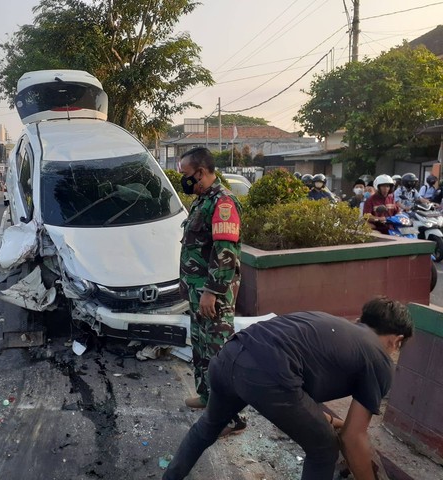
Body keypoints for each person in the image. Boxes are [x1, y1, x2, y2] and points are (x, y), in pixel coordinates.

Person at [162, 296, 413, 480]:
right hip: (267, 375)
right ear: (397, 340)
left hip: (229, 356)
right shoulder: (379, 359)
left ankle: (170, 477)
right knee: (324, 448)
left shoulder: (334, 329)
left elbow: (301, 404)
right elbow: (352, 438)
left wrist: (334, 422)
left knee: (207, 427)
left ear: (362, 320)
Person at [178, 147, 245, 436]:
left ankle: (232, 418)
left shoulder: (223, 202)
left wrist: (212, 292)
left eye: (186, 176)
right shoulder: (202, 201)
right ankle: (207, 397)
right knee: (202, 348)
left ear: (201, 173)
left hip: (213, 296)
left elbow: (225, 251)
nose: (184, 181)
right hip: (198, 292)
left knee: (220, 353)